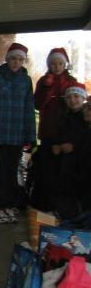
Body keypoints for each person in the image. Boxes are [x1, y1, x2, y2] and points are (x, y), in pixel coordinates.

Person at [0, 43, 37, 224]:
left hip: (17, 135)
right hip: (0, 136)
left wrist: (30, 136)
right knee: (0, 172)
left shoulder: (26, 81)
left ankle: (9, 205)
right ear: (7, 59)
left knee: (13, 172)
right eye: (13, 58)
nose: (16, 62)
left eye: (20, 59)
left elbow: (29, 109)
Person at [48, 81, 88, 219]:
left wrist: (74, 147)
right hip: (63, 159)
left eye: (76, 96)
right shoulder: (64, 117)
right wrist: (55, 145)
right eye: (69, 97)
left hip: (80, 162)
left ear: (83, 98)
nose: (72, 100)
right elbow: (58, 136)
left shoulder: (86, 117)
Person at [34, 47, 77, 148]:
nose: (57, 67)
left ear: (64, 64)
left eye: (60, 64)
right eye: (53, 64)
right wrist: (47, 87)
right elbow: (37, 104)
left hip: (67, 126)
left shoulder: (71, 81)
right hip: (47, 127)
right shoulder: (43, 81)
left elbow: (76, 103)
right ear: (49, 65)